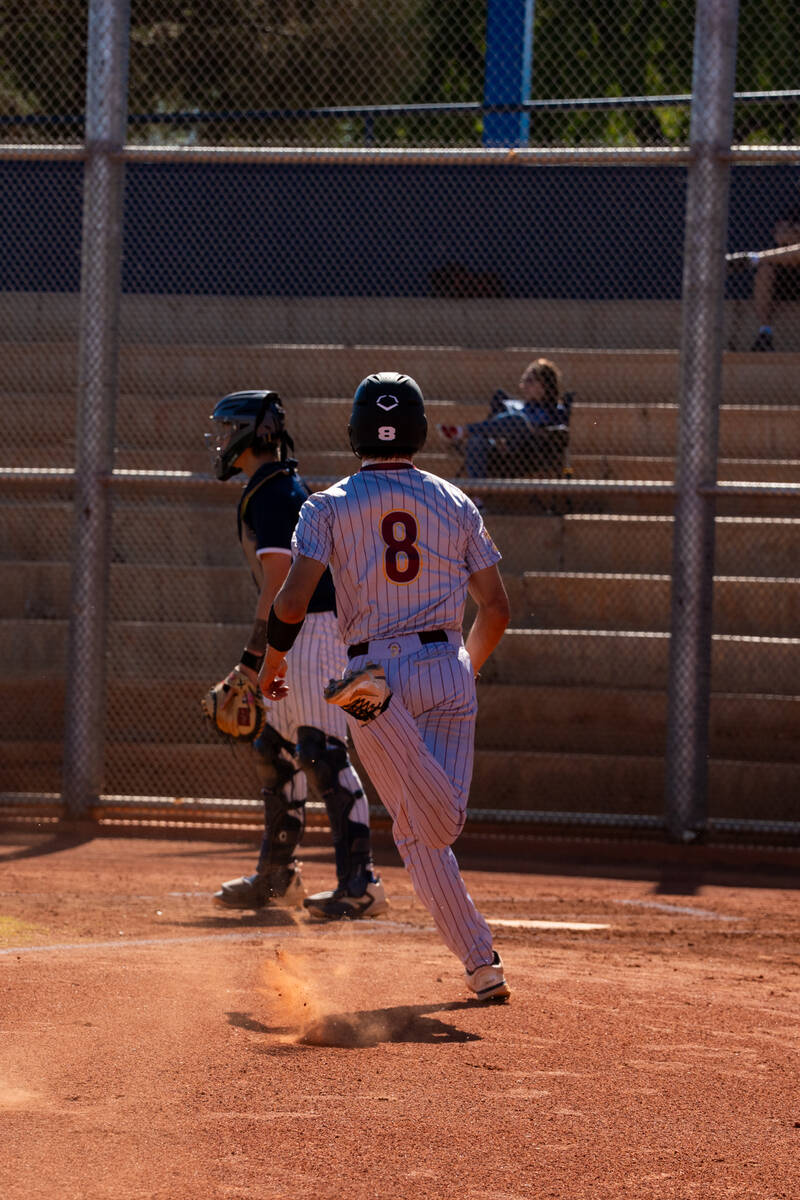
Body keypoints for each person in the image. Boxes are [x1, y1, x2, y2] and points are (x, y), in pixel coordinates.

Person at [257, 371, 512, 1002]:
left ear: (354, 433)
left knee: (436, 826)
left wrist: (272, 662)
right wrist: (465, 669)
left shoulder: (327, 504)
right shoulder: (455, 500)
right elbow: (497, 609)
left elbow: (291, 601)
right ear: (420, 431)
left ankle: (376, 708)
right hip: (445, 662)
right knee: (419, 832)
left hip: (372, 670)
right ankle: (482, 963)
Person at [204, 389, 387, 920]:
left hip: (316, 630)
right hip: (300, 631)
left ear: (253, 433)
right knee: (275, 746)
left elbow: (280, 582)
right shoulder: (270, 487)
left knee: (321, 748)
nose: (221, 440)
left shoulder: (274, 493)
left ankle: (362, 883)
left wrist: (249, 660)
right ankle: (277, 878)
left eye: (227, 428)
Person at [439, 357, 572, 479]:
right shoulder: (516, 406)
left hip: (529, 454)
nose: (523, 385)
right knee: (476, 441)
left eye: (529, 381)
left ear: (544, 385)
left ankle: (463, 431)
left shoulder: (556, 410)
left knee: (518, 420)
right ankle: (477, 499)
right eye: (523, 381)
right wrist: (498, 440)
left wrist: (533, 430)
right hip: (503, 454)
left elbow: (557, 437)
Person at [727, 199, 800, 351]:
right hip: (786, 274)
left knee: (764, 261)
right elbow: (780, 237)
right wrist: (793, 234)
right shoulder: (793, 211)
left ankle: (753, 258)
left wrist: (793, 235)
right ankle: (765, 332)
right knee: (765, 270)